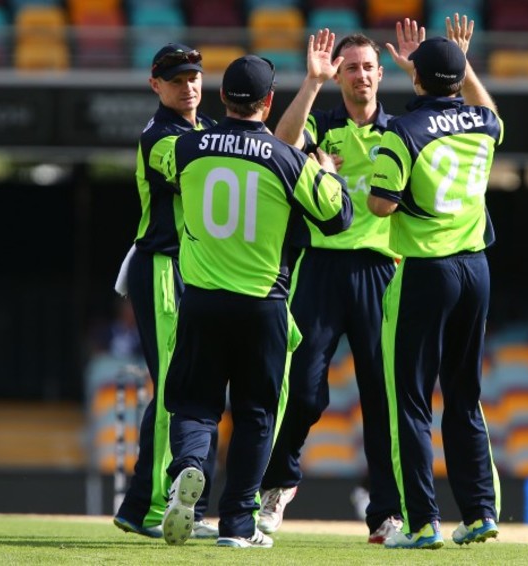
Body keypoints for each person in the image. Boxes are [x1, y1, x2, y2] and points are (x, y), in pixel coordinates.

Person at [157, 54, 353, 549]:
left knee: (195, 405)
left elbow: (161, 169)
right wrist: (327, 171)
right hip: (262, 304)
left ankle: (187, 469)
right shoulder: (287, 160)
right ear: (269, 103)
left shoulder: (188, 147)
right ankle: (238, 525)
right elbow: (339, 217)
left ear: (222, 97)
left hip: (202, 299)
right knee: (255, 414)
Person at [257, 21, 424, 544]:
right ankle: (279, 484)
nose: (361, 77)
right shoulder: (323, 125)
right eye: (350, 68)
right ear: (340, 76)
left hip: (380, 269)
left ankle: (386, 515)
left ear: (380, 74)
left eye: (369, 68)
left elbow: (443, 126)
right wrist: (311, 82)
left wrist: (421, 74)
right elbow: (281, 142)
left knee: (381, 398)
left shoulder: (400, 131)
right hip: (322, 269)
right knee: (304, 390)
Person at [367, 14, 503, 549]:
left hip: (425, 269)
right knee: (465, 397)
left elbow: (380, 205)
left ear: (416, 80)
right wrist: (458, 67)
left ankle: (422, 524)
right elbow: (487, 108)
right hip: (476, 269)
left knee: (410, 402)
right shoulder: (484, 126)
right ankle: (481, 513)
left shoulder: (401, 132)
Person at [113, 43, 218, 540]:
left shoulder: (205, 132)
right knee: (176, 390)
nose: (189, 85)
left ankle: (142, 505)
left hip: (192, 270)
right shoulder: (160, 136)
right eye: (177, 79)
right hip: (162, 267)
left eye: (194, 76)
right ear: (155, 85)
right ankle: (155, 508)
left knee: (181, 390)